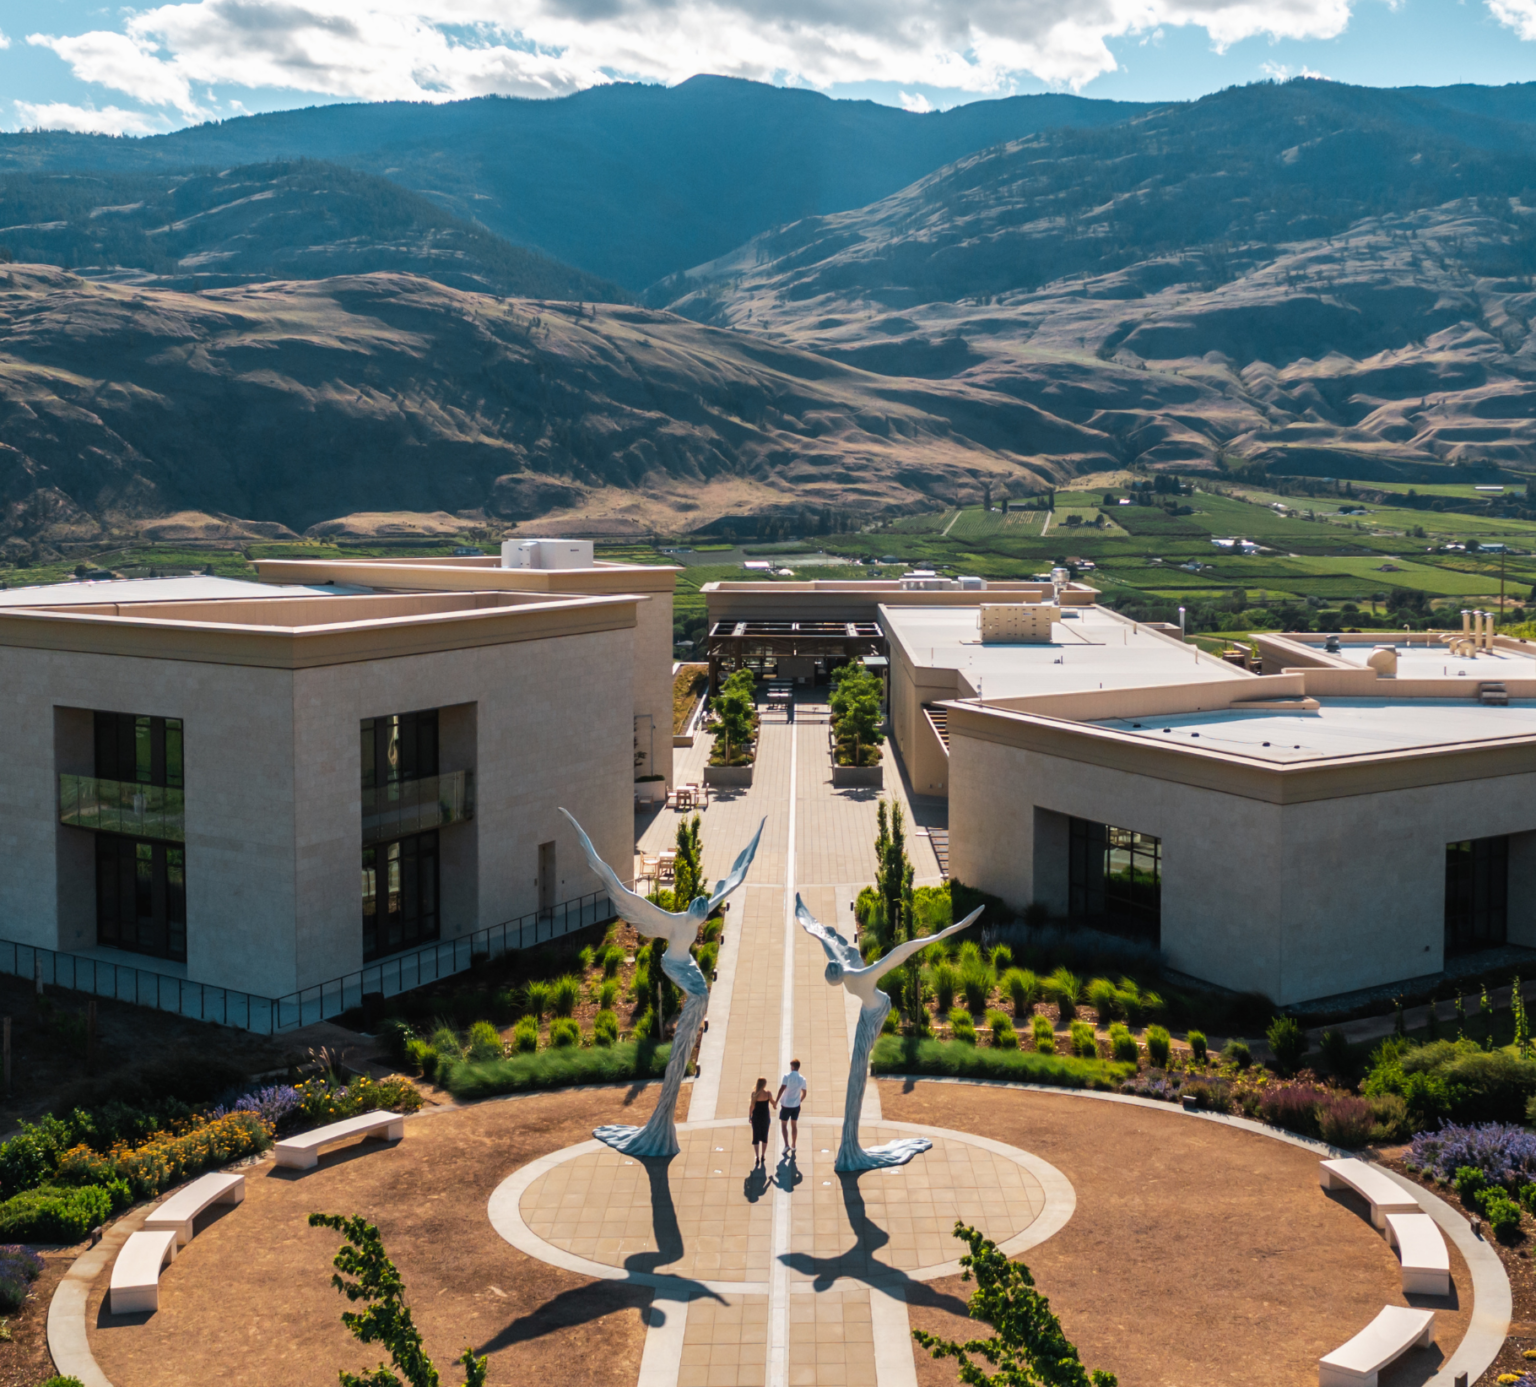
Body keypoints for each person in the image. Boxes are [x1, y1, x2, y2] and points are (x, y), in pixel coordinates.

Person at [776, 1059, 807, 1154]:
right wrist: (799, 1100)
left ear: (792, 1066)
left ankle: (786, 1145)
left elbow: (782, 1089)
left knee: (784, 1125)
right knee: (794, 1125)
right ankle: (794, 1144)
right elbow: (804, 1093)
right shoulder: (802, 1079)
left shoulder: (787, 1076)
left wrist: (776, 1101)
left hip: (786, 1105)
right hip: (796, 1105)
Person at [748, 1078, 775, 1166]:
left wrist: (750, 1116)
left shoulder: (754, 1094)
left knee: (755, 1136)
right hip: (765, 1117)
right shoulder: (768, 1094)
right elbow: (773, 1103)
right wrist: (775, 1104)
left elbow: (751, 1106)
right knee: (764, 1136)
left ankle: (757, 1157)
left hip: (756, 1117)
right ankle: (763, 1155)